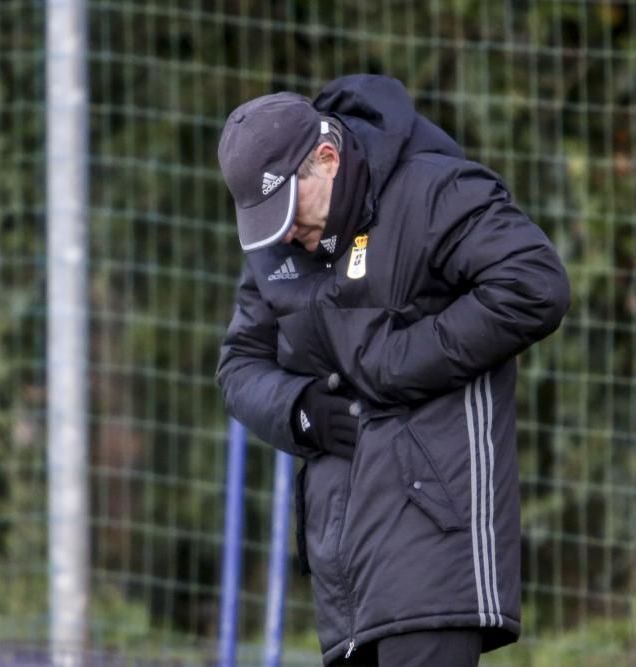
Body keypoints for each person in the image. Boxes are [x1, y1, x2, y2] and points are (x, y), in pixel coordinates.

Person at [215, 75, 570, 666]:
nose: (288, 237)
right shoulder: (280, 242)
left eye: (291, 214)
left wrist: (405, 359)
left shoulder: (435, 190)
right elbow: (239, 366)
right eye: (269, 223)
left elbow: (535, 286)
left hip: (435, 546)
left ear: (326, 159)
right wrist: (299, 412)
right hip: (343, 573)